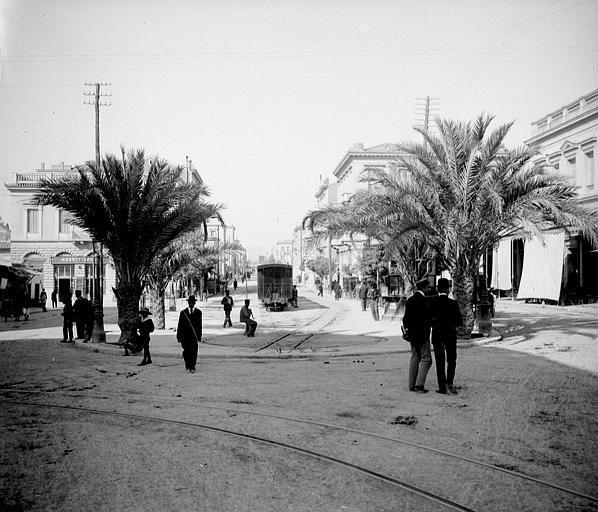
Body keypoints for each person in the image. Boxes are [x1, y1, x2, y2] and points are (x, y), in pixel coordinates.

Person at [429, 278, 462, 395]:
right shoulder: (453, 303)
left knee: (440, 362)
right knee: (451, 360)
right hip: (450, 335)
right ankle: (450, 383)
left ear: (438, 289)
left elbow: (429, 320)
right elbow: (459, 321)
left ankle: (442, 387)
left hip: (437, 335)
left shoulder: (432, 303)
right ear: (448, 289)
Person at [402, 278, 432, 393]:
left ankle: (411, 385)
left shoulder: (410, 300)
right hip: (423, 335)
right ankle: (419, 385)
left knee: (415, 357)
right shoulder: (424, 301)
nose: (429, 289)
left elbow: (405, 319)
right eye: (428, 287)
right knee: (427, 359)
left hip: (413, 336)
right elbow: (428, 319)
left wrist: (408, 332)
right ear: (424, 288)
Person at [176, 295, 202, 373]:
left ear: (195, 303)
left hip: (194, 336)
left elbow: (199, 325)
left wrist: (199, 336)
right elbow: (180, 325)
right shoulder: (183, 313)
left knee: (194, 351)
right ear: (188, 303)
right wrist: (178, 336)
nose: (191, 303)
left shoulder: (198, 312)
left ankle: (192, 366)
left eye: (193, 302)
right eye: (190, 302)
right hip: (185, 335)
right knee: (186, 351)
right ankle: (188, 363)